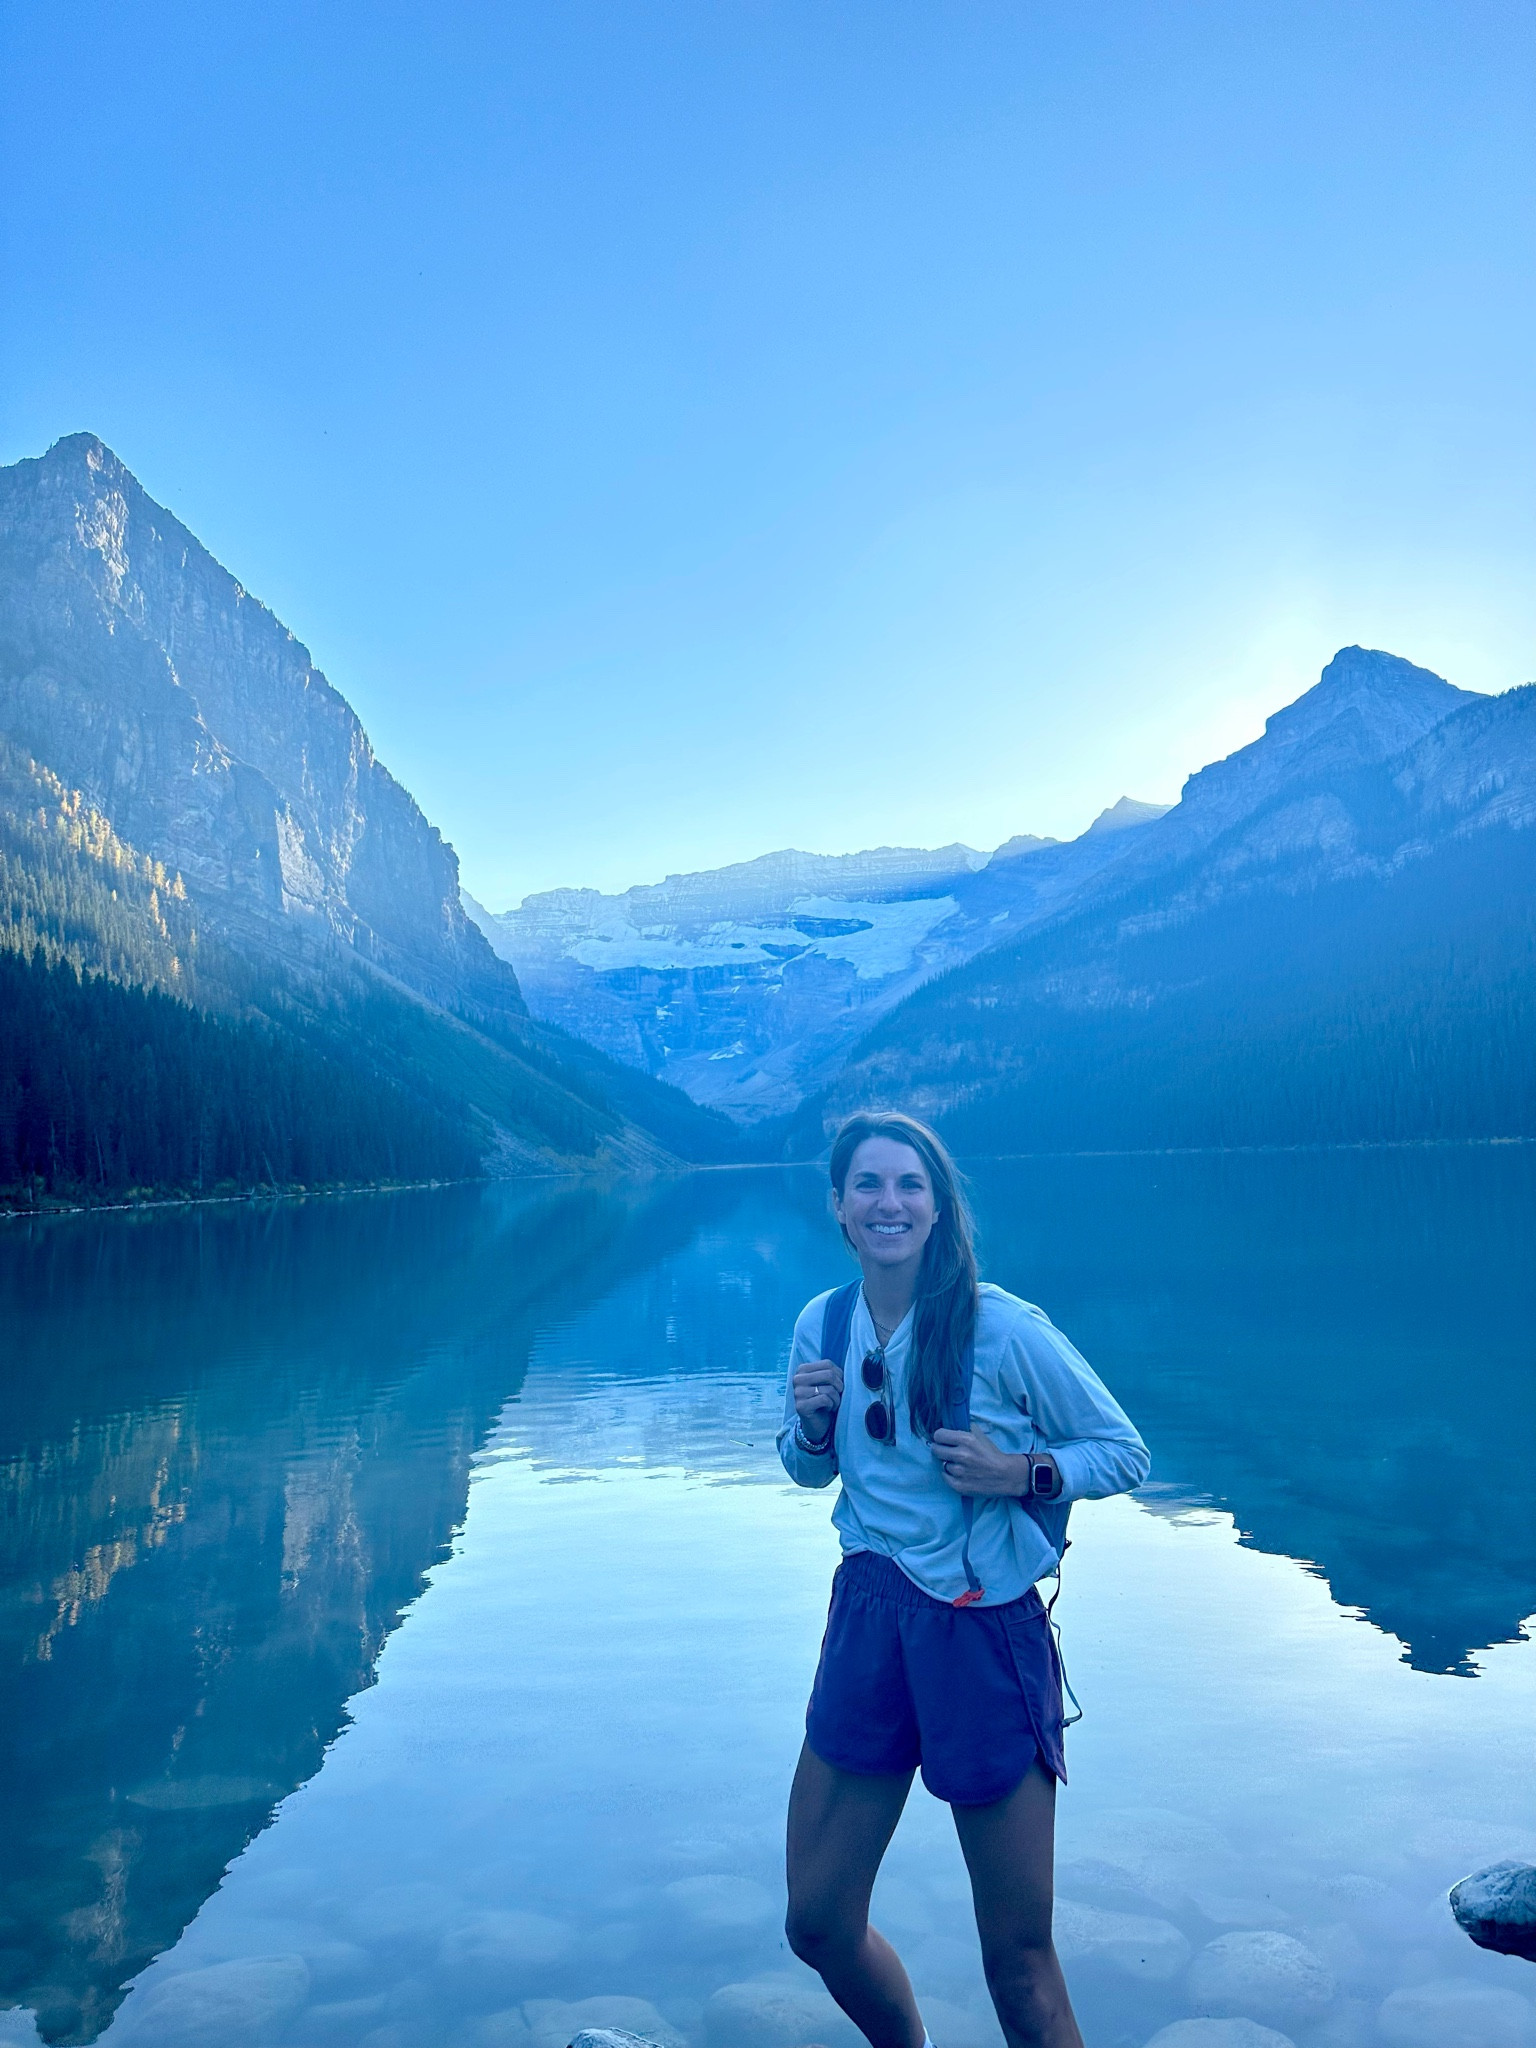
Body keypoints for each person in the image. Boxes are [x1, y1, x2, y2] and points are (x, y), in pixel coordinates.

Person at [777, 1111, 1149, 2048]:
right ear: (839, 1207)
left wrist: (1020, 1473)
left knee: (1018, 1958)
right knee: (817, 1922)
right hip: (868, 1617)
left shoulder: (1003, 1329)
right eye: (868, 1185)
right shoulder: (821, 1324)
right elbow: (806, 1467)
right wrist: (812, 1431)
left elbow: (1124, 1451)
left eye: (909, 1185)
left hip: (982, 1631)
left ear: (937, 1209)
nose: (888, 1202)